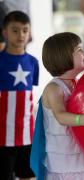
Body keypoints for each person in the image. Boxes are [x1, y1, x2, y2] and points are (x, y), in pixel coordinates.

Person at [30, 32, 84, 180]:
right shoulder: (54, 88)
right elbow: (61, 116)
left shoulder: (78, 85)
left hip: (83, 156)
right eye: (79, 49)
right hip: (62, 162)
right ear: (63, 56)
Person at [0, 11, 39, 180]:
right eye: (15, 30)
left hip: (26, 134)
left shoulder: (33, 62)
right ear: (5, 32)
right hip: (2, 136)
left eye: (25, 30)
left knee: (27, 175)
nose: (21, 35)